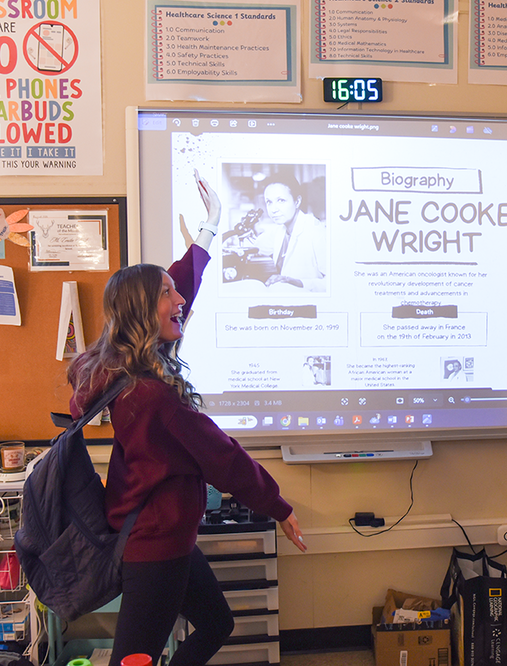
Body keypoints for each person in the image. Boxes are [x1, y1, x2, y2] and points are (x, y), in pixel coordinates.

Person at [67, 169, 306, 666]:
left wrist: (210, 227)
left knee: (217, 624)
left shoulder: (125, 368)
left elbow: (174, 290)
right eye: (167, 296)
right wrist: (279, 507)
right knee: (134, 661)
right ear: (141, 315)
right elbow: (224, 459)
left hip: (162, 535)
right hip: (154, 548)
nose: (180, 301)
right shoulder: (153, 396)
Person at [253, 174, 327, 291]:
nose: (273, 209)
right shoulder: (279, 230)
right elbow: (256, 246)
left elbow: (335, 283)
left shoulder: (316, 231)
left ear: (297, 201)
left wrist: (299, 283)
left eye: (281, 201)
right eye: (269, 202)